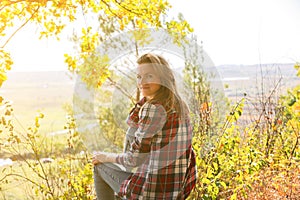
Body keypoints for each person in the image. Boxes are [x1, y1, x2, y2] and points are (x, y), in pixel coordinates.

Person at [92, 53, 197, 199]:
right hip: (174, 191)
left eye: (149, 76)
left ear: (162, 77)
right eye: (139, 77)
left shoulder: (153, 109)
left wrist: (106, 157)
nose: (142, 82)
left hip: (150, 192)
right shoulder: (180, 106)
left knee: (99, 166)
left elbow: (134, 160)